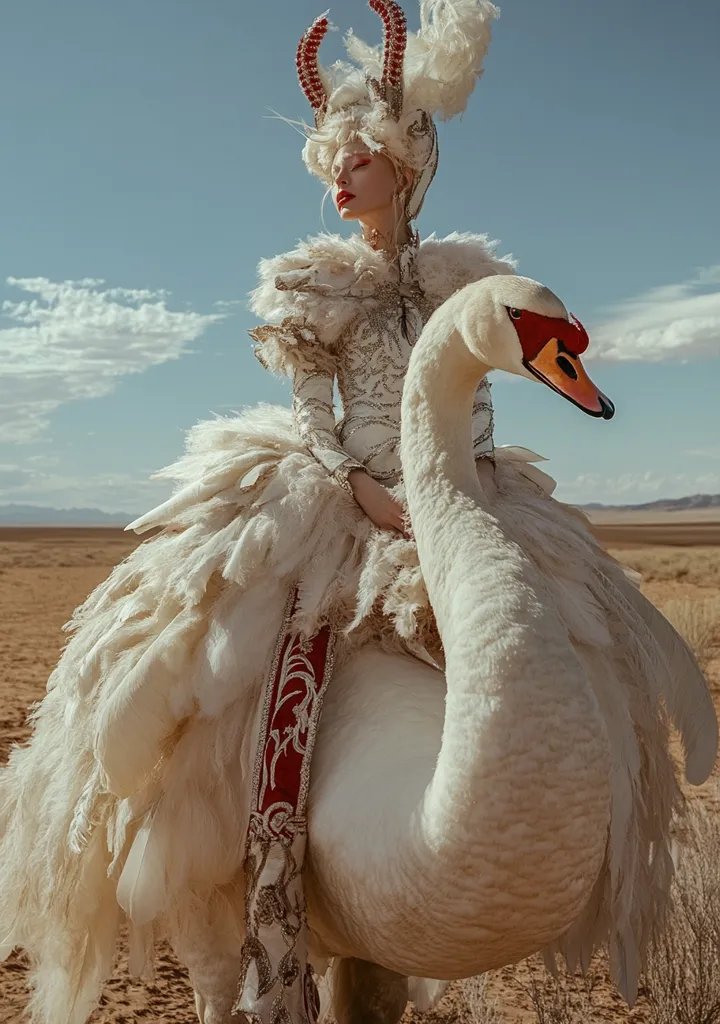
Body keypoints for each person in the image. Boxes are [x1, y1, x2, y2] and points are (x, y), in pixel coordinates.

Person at [0, 3, 715, 1024]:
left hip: (453, 492)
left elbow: (475, 412)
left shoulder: (463, 284)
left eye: (360, 161)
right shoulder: (315, 288)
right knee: (229, 657)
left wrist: (457, 494)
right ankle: (257, 875)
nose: (341, 178)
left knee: (564, 635)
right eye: (333, 163)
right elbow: (312, 423)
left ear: (406, 168)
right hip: (343, 499)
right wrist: (370, 496)